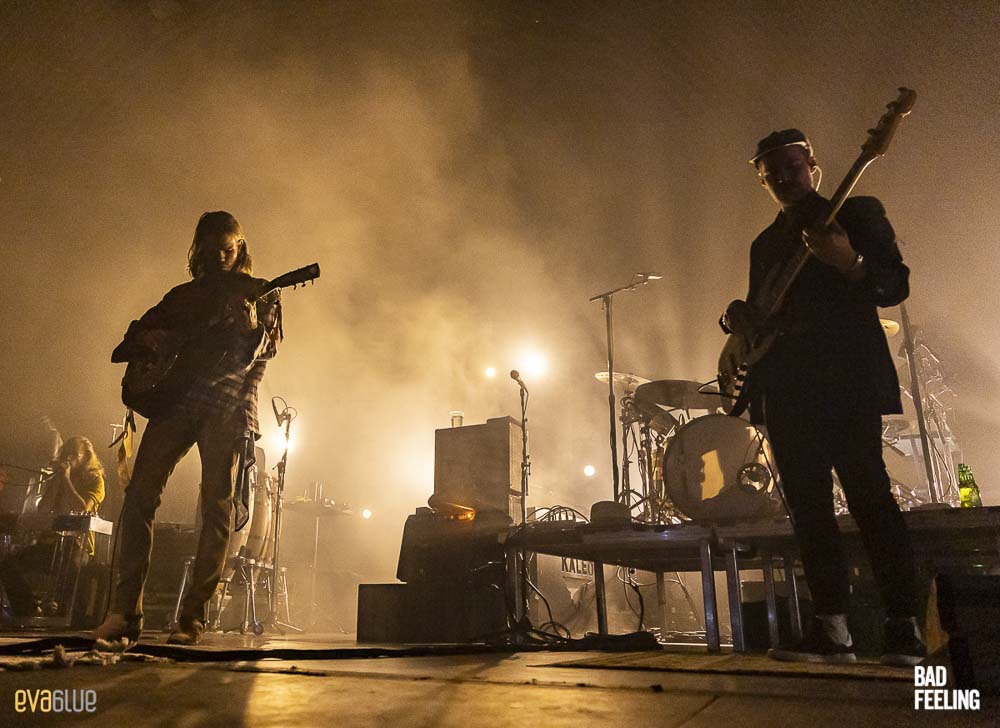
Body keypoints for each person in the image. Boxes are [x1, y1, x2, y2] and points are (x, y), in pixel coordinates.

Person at [720, 129, 925, 666]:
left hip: (847, 379)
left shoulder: (854, 214)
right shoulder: (764, 244)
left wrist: (848, 261)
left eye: (792, 167)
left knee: (870, 498)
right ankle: (832, 630)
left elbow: (894, 285)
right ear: (762, 181)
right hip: (788, 388)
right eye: (773, 174)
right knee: (808, 510)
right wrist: (735, 319)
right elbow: (762, 313)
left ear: (812, 164)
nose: (784, 178)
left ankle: (904, 627)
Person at [96, 211, 282, 646]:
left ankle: (192, 618)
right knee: (139, 498)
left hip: (228, 408)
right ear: (198, 250)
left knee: (216, 508)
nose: (219, 257)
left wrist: (251, 327)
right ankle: (124, 613)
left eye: (227, 249)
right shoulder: (183, 296)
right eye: (210, 249)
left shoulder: (261, 292)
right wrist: (150, 341)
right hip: (175, 405)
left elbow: (265, 349)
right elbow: (129, 341)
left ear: (240, 250)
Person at [0, 436, 105, 617]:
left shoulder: (95, 481)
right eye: (66, 454)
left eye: (74, 455)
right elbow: (43, 508)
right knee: (8, 564)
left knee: (73, 568)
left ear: (86, 457)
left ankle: (67, 615)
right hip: (51, 544)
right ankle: (28, 609)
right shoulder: (60, 478)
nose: (68, 458)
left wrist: (66, 480)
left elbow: (82, 508)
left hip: (78, 547)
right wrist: (58, 481)